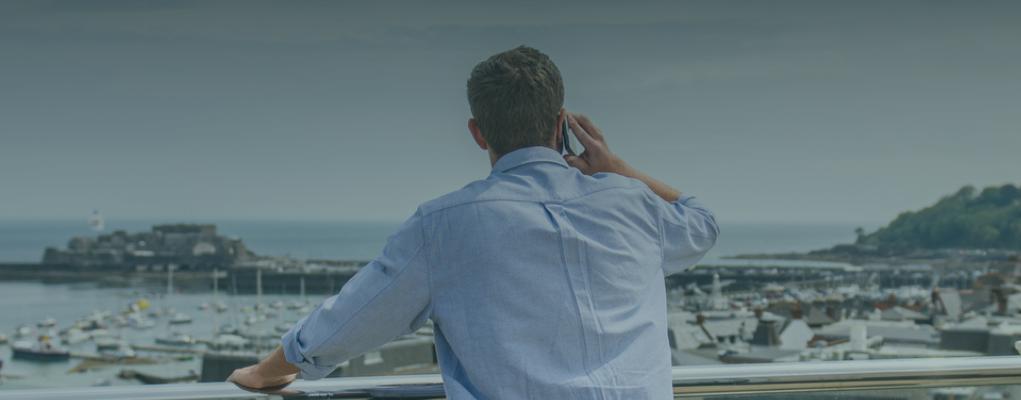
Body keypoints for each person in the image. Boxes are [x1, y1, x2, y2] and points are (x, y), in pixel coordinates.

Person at [227, 46, 719, 399]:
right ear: (561, 124)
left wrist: (269, 371)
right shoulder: (632, 203)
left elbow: (353, 317)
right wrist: (616, 168)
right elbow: (700, 221)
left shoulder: (445, 225)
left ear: (477, 133)